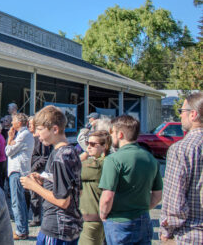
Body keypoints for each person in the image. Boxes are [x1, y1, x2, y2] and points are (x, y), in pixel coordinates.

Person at [20, 105, 83, 245]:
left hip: (57, 227)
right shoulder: (70, 152)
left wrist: (34, 187)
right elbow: (75, 190)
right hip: (67, 226)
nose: (36, 134)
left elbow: (63, 201)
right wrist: (44, 181)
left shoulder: (61, 157)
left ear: (55, 129)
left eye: (40, 129)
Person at [98, 115, 162, 245]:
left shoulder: (113, 160)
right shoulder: (151, 159)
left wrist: (103, 214)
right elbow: (157, 195)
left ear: (120, 134)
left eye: (112, 133)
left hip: (119, 221)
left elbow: (107, 197)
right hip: (143, 219)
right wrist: (142, 208)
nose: (111, 137)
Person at [160, 92, 203, 244]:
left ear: (193, 114)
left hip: (191, 234)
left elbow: (174, 201)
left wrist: (166, 229)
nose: (180, 116)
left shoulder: (182, 149)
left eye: (182, 111)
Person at [79, 130, 111, 245]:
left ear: (104, 146)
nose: (88, 147)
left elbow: (70, 169)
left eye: (93, 144)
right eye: (88, 143)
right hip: (98, 216)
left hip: (92, 217)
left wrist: (83, 157)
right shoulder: (106, 161)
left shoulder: (98, 164)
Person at [5, 113, 35, 240]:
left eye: (13, 121)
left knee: (17, 201)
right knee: (19, 201)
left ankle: (21, 230)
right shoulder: (22, 135)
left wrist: (9, 138)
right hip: (18, 170)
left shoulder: (23, 135)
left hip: (17, 171)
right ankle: (22, 229)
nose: (12, 123)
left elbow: (8, 151)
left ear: (19, 122)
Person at [28, 115, 52, 227]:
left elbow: (45, 157)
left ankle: (37, 218)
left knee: (36, 195)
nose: (29, 126)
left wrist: (34, 167)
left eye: (31, 124)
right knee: (29, 195)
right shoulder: (28, 137)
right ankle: (33, 215)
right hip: (28, 168)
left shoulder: (41, 139)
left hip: (37, 170)